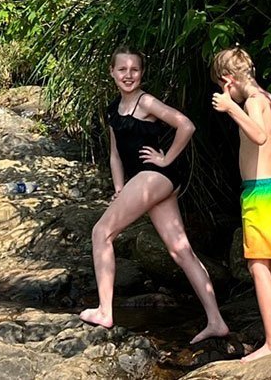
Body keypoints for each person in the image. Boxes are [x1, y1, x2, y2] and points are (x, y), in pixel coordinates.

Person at [80, 46, 229, 344]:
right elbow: (115, 155)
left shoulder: (145, 101)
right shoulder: (112, 110)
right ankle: (217, 321)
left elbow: (186, 125)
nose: (128, 75)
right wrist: (119, 188)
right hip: (148, 182)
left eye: (134, 69)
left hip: (155, 176)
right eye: (122, 69)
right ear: (112, 72)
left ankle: (105, 311)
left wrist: (166, 159)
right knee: (180, 251)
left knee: (101, 233)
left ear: (142, 73)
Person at [210, 46, 271, 362]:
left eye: (223, 88)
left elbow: (260, 136)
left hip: (260, 193)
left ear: (227, 81)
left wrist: (231, 108)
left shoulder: (253, 103)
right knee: (267, 265)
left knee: (257, 265)